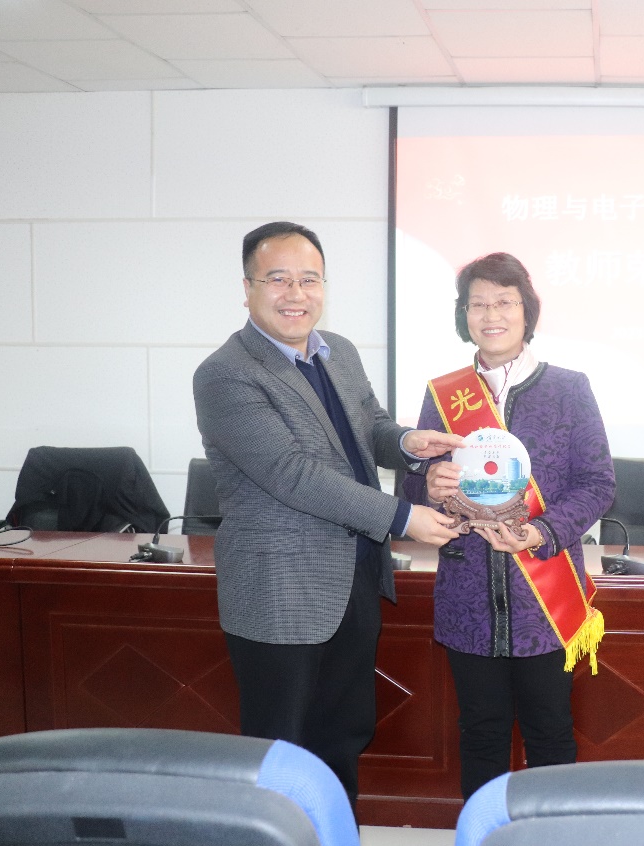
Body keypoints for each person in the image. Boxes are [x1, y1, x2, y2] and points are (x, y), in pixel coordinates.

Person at [193, 221, 463, 812]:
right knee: (280, 751)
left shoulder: (337, 351)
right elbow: (292, 473)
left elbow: (370, 427)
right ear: (247, 288)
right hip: (279, 591)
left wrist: (408, 442)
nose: (296, 293)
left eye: (309, 279)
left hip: (354, 581)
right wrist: (404, 518)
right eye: (278, 279)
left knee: (343, 736)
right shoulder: (226, 373)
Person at [403, 252, 614, 799]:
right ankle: (485, 833)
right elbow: (415, 488)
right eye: (478, 304)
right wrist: (429, 485)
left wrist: (541, 533)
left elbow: (597, 483)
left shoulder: (569, 388)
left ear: (527, 311)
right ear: (464, 315)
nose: (491, 314)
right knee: (480, 734)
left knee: (550, 734)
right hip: (467, 595)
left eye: (504, 302)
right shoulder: (443, 393)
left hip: (544, 596)